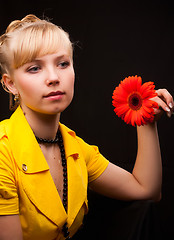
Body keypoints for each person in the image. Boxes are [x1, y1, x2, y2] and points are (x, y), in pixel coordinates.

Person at [0, 14, 173, 240]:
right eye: (34, 68)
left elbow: (146, 190)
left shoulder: (75, 149)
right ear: (10, 84)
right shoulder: (4, 151)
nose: (53, 77)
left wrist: (145, 119)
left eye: (63, 64)